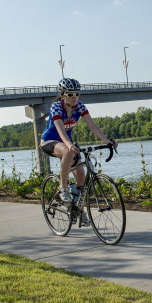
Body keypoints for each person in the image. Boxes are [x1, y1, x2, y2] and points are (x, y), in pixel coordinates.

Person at [40, 78, 117, 215]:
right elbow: (60, 130)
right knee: (67, 151)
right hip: (50, 141)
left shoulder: (80, 106)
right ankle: (63, 186)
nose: (74, 97)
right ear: (63, 95)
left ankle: (80, 211)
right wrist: (69, 145)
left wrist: (106, 140)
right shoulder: (56, 107)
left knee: (81, 174)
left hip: (67, 143)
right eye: (70, 94)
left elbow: (92, 125)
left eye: (77, 94)